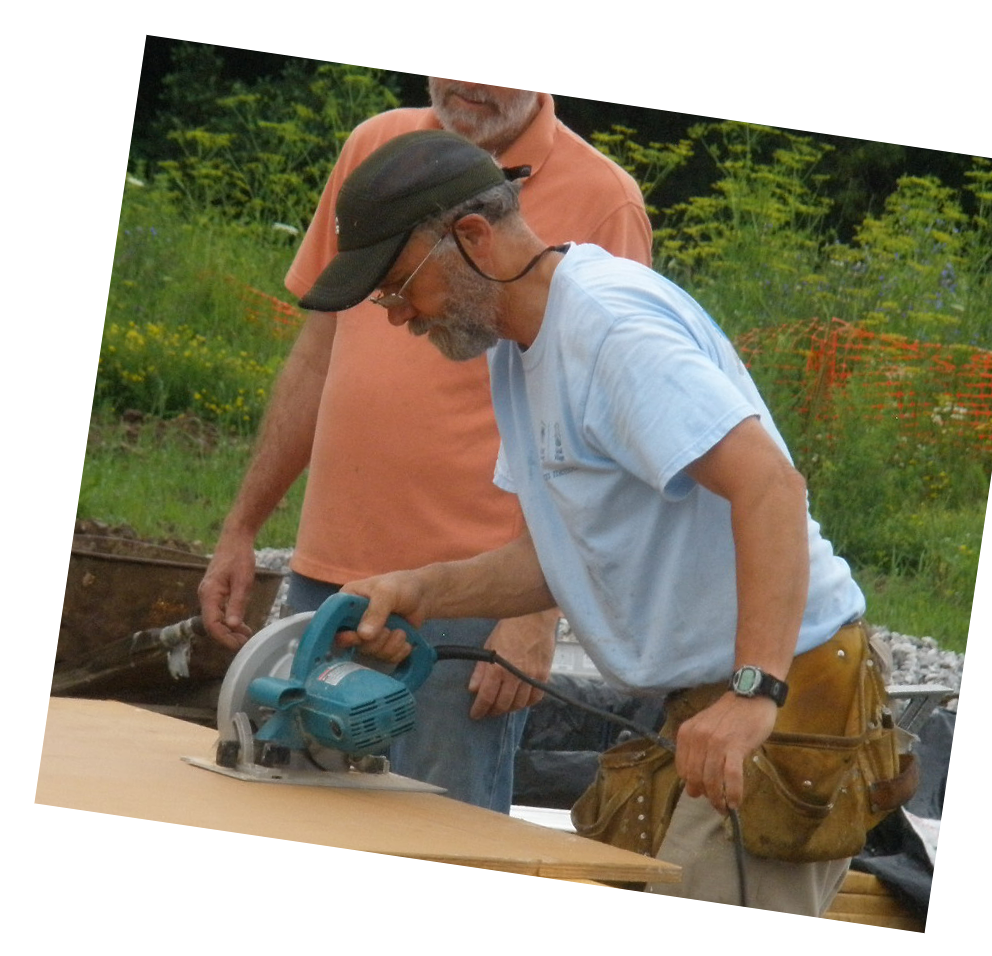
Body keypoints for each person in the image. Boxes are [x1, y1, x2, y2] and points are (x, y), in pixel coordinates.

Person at [304, 129, 873, 914]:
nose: (400, 317)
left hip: (785, 689)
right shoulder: (520, 347)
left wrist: (753, 692)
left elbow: (771, 486)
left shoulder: (609, 331)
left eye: (400, 288)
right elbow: (559, 557)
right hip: (717, 696)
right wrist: (422, 588)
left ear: (470, 239)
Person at [198, 80, 652, 814]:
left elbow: (597, 425)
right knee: (295, 815)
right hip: (331, 575)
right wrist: (243, 526)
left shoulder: (606, 199)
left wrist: (536, 614)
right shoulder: (378, 151)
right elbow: (317, 351)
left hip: (471, 600)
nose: (468, 83)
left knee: (441, 831)